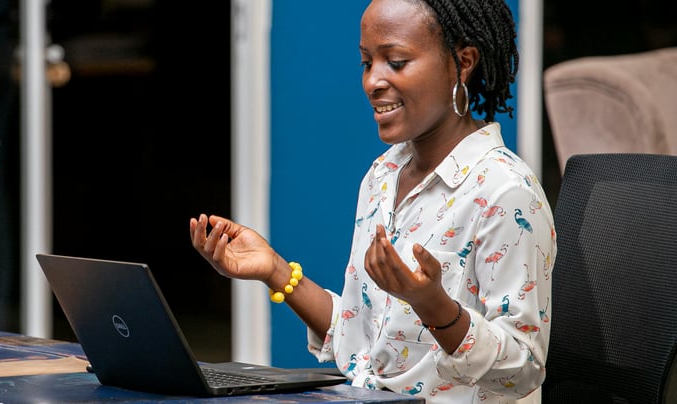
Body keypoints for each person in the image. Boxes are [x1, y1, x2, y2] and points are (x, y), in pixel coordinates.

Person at [190, 0, 556, 402]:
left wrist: (434, 306)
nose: (372, 82)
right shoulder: (383, 175)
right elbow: (363, 345)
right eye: (367, 63)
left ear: (463, 62)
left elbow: (523, 369)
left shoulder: (506, 192)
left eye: (395, 62)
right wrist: (274, 271)